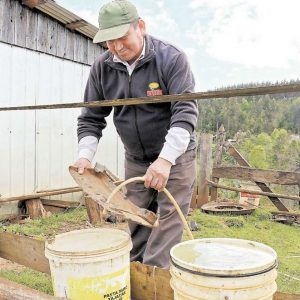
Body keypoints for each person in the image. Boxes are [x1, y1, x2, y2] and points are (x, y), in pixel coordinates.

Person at [75, 0, 198, 268]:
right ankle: (133, 277)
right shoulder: (102, 68)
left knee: (167, 225)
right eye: (109, 42)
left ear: (140, 27)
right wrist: (84, 156)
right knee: (136, 221)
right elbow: (91, 117)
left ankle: (154, 284)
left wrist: (165, 161)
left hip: (176, 158)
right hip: (136, 159)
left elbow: (185, 113)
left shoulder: (172, 58)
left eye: (122, 38)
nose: (117, 47)